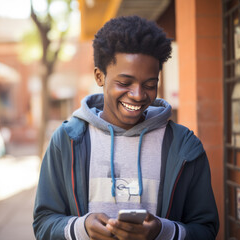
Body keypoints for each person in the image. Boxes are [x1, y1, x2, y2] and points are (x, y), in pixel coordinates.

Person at [33, 15, 219, 240]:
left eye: (150, 84)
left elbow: (206, 228)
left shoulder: (184, 147)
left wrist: (162, 231)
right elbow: (43, 222)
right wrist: (81, 228)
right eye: (124, 83)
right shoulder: (67, 140)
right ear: (99, 76)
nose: (138, 94)